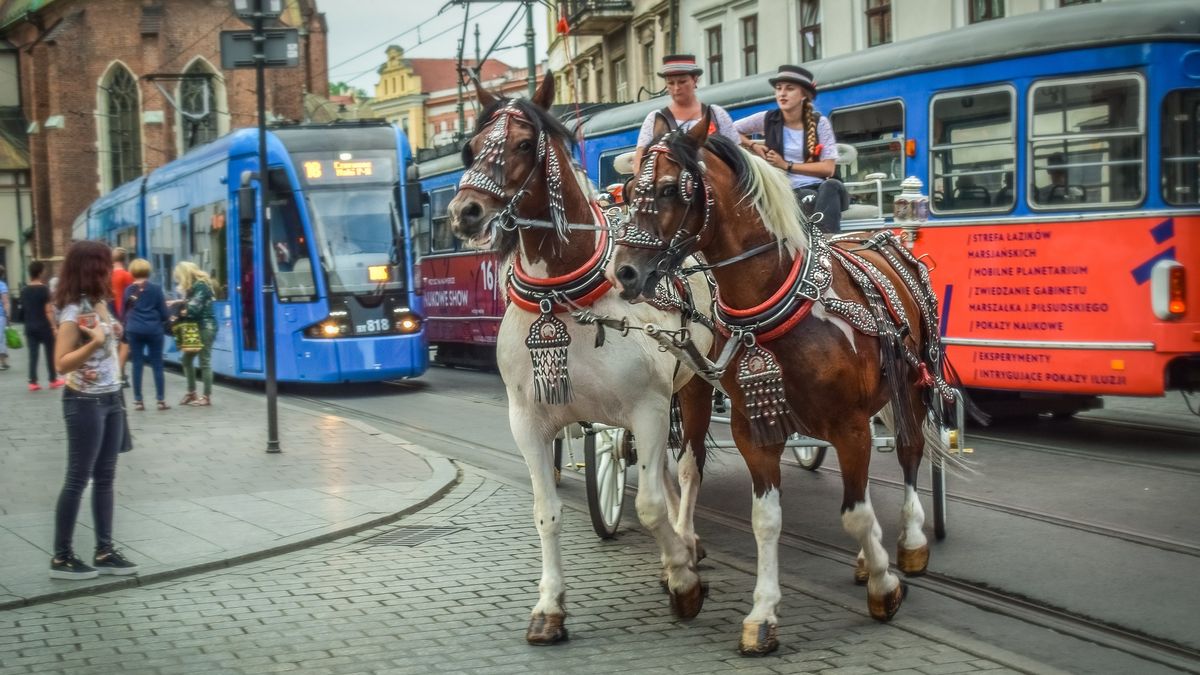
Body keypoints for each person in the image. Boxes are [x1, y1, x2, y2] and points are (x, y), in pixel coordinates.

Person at [50, 240, 138, 579]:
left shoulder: (98, 302)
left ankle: (104, 550)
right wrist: (97, 343)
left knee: (105, 477)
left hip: (111, 398)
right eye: (106, 263)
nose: (112, 267)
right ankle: (61, 556)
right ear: (92, 266)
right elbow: (60, 363)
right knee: (77, 478)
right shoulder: (74, 311)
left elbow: (115, 339)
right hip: (84, 401)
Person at [734, 64, 846, 233]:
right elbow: (730, 129)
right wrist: (753, 145)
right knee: (808, 198)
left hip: (818, 189)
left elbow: (828, 169)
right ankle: (820, 240)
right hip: (783, 190)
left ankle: (825, 240)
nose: (782, 93)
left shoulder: (819, 123)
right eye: (778, 88)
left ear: (803, 95)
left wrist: (787, 165)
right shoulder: (767, 118)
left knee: (832, 186)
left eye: (790, 88)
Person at [631, 54, 742, 170]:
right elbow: (640, 159)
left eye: (682, 82)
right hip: (672, 186)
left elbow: (738, 154)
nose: (676, 88)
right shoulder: (655, 118)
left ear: (695, 80)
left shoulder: (716, 114)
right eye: (670, 83)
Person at [122, 258, 171, 411]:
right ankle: (160, 400)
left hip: (134, 329)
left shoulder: (128, 290)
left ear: (132, 271)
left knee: (137, 364)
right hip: (154, 330)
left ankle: (138, 401)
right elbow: (164, 314)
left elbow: (124, 313)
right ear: (148, 271)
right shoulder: (156, 289)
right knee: (157, 364)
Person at [172, 261, 217, 406]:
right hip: (196, 327)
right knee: (186, 360)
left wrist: (179, 311)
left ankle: (206, 396)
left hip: (205, 327)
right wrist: (177, 302)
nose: (179, 281)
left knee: (205, 361)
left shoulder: (201, 286)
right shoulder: (196, 286)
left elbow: (193, 308)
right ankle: (192, 393)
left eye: (179, 277)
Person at [20, 261, 64, 391]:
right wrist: (54, 327)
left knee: (33, 355)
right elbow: (48, 310)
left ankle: (33, 382)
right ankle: (52, 379)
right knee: (50, 353)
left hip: (30, 326)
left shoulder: (24, 290)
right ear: (40, 273)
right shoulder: (44, 289)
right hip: (44, 326)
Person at [111, 247, 134, 384]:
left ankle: (117, 373)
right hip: (123, 313)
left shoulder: (106, 275)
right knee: (123, 345)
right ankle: (121, 374)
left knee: (114, 345)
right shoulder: (127, 276)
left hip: (110, 313)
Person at [0, 264, 9, 371]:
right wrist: (8, 315)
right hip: (0, 315)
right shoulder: (2, 285)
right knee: (1, 339)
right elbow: (5, 302)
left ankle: (4, 361)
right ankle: (1, 362)